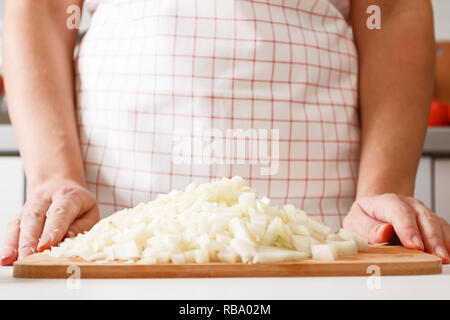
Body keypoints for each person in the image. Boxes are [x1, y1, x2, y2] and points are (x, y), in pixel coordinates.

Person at [1, 0, 449, 266]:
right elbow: (43, 7)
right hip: (110, 222)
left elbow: (391, 9)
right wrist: (54, 177)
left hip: (327, 232)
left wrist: (382, 190)